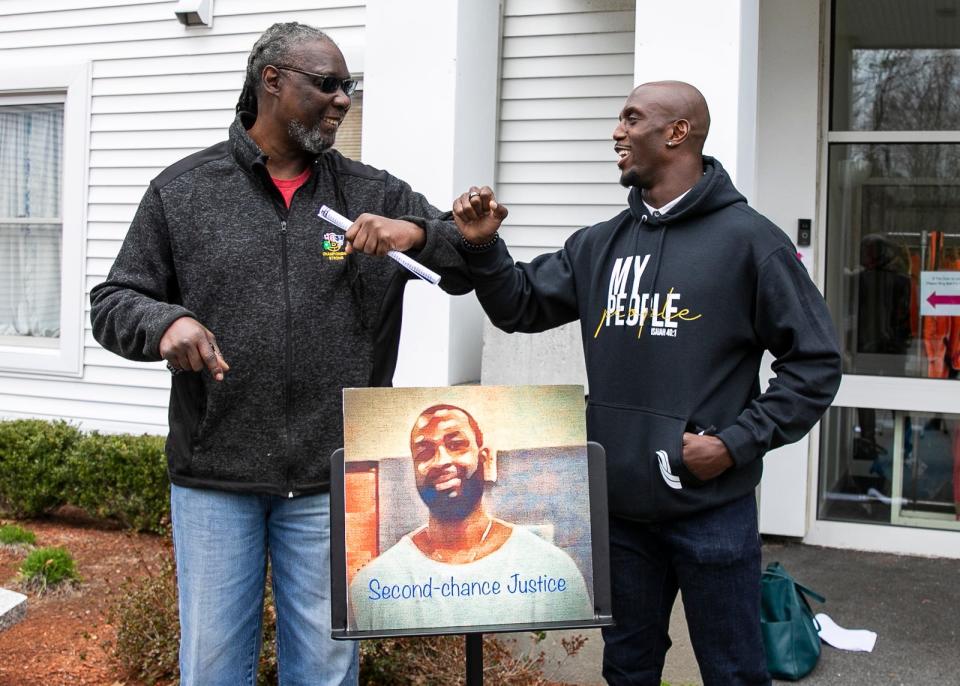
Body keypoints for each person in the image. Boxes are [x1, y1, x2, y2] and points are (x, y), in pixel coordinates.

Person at [89, 22, 470, 686]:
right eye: (327, 85)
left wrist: (417, 231)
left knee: (326, 672)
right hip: (216, 481)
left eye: (348, 88)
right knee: (212, 670)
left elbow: (464, 261)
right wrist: (165, 322)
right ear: (273, 80)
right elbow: (113, 299)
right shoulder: (183, 193)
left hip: (331, 482)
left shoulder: (372, 196)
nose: (343, 100)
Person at [452, 81, 843, 685]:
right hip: (621, 510)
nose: (617, 132)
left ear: (677, 132)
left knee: (733, 672)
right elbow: (521, 307)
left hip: (711, 509)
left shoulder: (751, 242)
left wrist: (735, 444)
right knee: (628, 669)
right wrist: (484, 249)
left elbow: (816, 362)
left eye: (631, 119)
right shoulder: (600, 244)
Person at [349, 403, 593, 631]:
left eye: (456, 445)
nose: (442, 461)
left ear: (484, 458)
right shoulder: (373, 585)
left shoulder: (552, 570)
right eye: (425, 452)